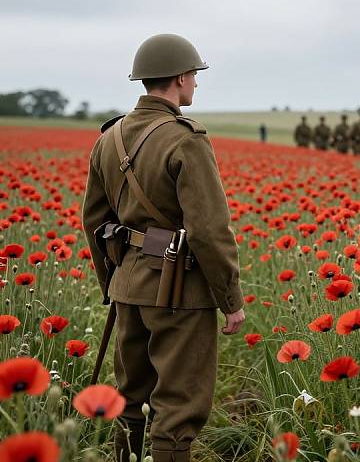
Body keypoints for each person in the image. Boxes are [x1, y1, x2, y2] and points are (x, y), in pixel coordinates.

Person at [82, 33, 245, 462]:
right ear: (179, 77)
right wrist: (230, 300)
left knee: (129, 400)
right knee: (178, 407)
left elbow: (94, 221)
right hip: (179, 290)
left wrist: (111, 284)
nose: (195, 82)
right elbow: (209, 230)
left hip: (127, 285)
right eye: (194, 74)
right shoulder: (185, 138)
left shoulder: (110, 137)